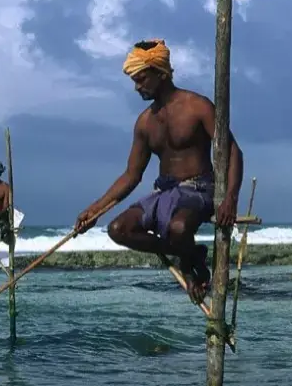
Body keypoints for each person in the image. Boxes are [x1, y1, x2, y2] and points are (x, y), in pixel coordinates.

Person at [74, 39, 243, 305]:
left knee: (178, 227)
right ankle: (191, 254)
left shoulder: (197, 106)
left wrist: (230, 198)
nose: (137, 87)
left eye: (141, 79)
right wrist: (95, 210)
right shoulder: (144, 122)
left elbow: (233, 152)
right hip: (163, 191)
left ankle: (189, 263)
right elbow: (131, 175)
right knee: (119, 229)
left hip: (199, 189)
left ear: (161, 73)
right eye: (135, 81)